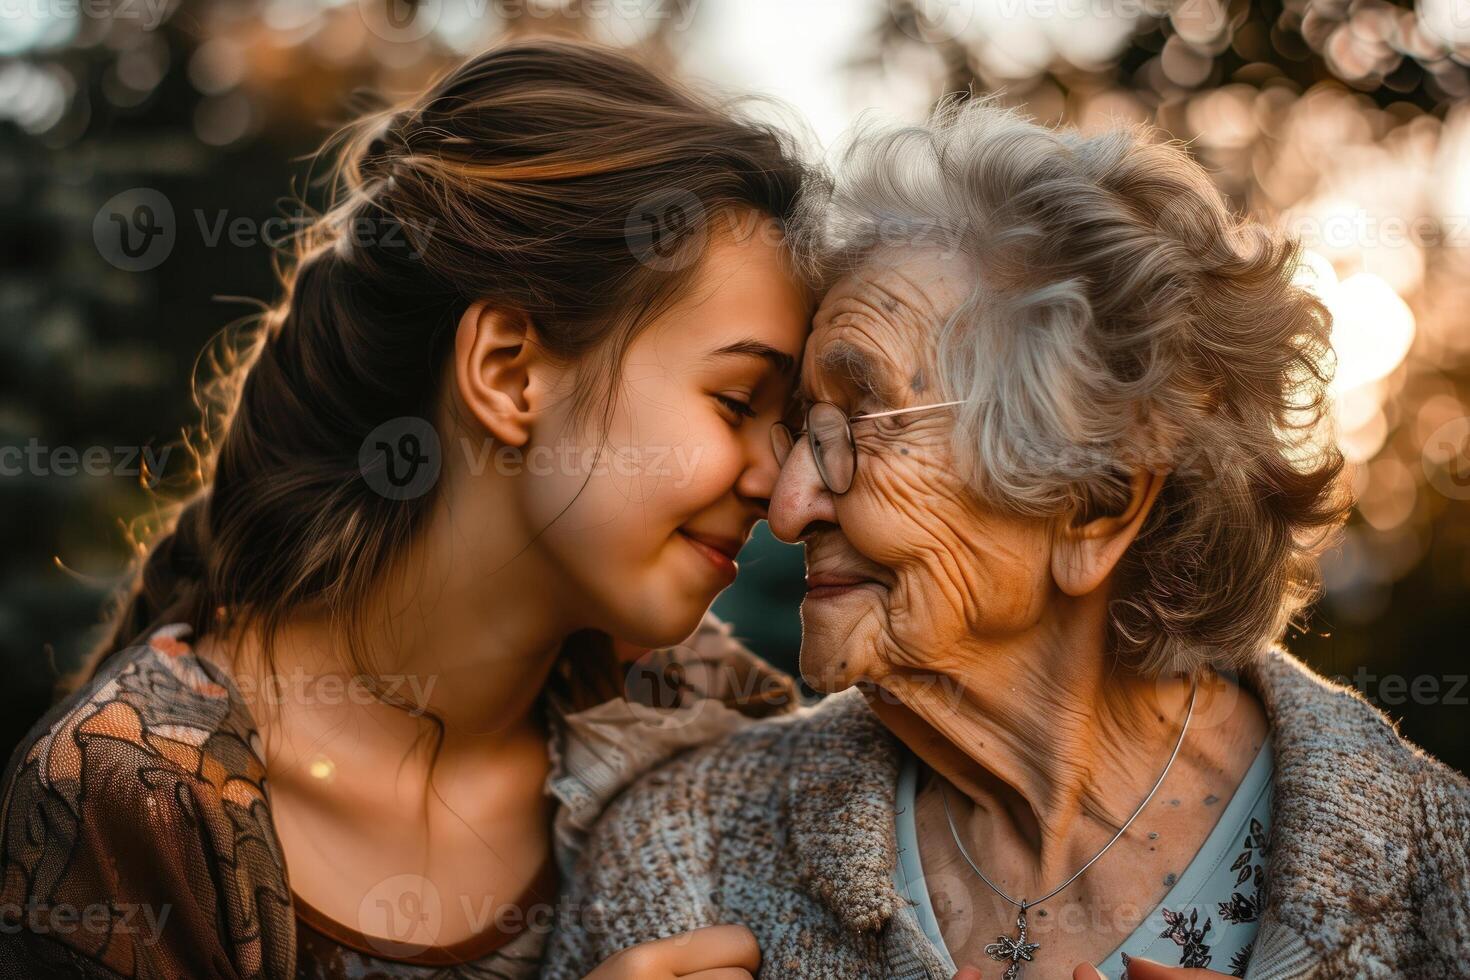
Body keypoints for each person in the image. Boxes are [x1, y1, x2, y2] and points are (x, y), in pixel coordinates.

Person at [541, 102, 1470, 980]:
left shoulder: (1436, 877)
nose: (787, 509)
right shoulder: (680, 857)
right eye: (800, 428)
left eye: (859, 425)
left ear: (1097, 504)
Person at [0, 41, 817, 979]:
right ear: (509, 373)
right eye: (737, 402)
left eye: (792, 427)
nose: (783, 490)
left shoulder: (704, 714)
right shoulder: (137, 803)